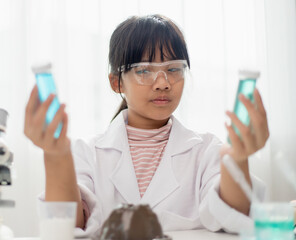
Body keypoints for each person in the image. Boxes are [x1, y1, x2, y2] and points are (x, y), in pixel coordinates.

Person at [24, 14, 269, 236]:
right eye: (144, 71)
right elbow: (68, 227)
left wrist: (237, 160)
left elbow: (233, 218)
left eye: (174, 69)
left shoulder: (206, 150)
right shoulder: (88, 153)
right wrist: (56, 157)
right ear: (116, 82)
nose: (163, 83)